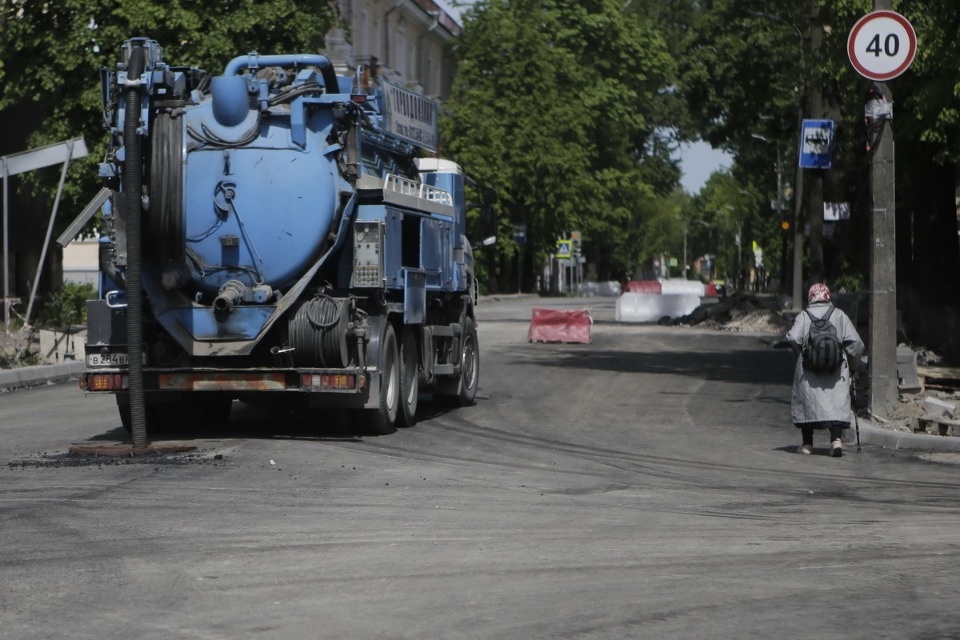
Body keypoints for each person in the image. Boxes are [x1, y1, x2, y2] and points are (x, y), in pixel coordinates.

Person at [781, 283, 864, 456]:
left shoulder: (804, 316)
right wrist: (853, 365)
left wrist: (803, 354)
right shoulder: (839, 315)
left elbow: (793, 337)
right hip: (837, 371)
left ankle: (807, 445)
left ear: (811, 297)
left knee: (807, 402)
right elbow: (856, 343)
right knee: (836, 403)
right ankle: (836, 441)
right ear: (828, 297)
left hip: (809, 370)